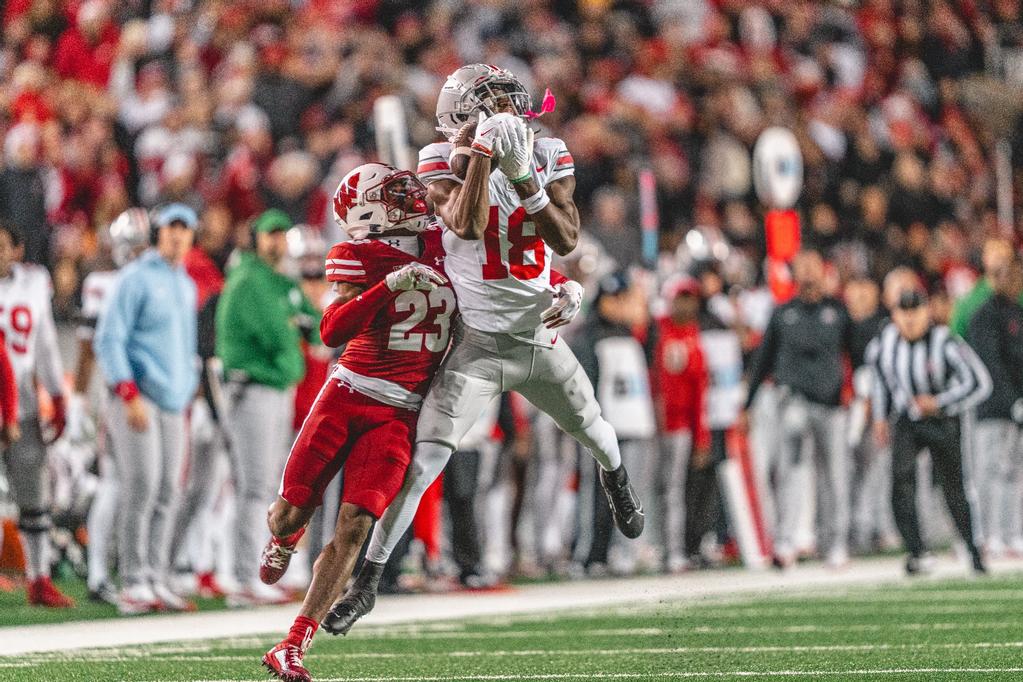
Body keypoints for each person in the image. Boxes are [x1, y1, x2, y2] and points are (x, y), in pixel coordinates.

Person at [325, 64, 642, 636]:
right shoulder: (439, 159)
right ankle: (366, 583)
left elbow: (566, 238)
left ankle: (617, 483)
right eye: (486, 103)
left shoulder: (548, 153)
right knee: (422, 464)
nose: (500, 112)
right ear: (458, 117)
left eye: (504, 101)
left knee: (595, 428)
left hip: (538, 336)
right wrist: (483, 159)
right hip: (475, 345)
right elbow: (466, 226)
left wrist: (525, 178)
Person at [258, 163, 452, 682]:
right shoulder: (358, 256)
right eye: (395, 195)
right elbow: (330, 329)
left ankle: (294, 643)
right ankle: (281, 539)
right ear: (368, 211)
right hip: (347, 396)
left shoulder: (448, 244)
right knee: (289, 515)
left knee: (356, 524)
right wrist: (389, 285)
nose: (414, 200)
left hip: (400, 412)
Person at [94, 203, 199, 614]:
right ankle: (134, 580)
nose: (177, 236)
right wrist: (126, 390)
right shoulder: (135, 277)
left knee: (169, 491)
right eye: (171, 228)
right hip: (138, 395)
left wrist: (188, 388)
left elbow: (186, 344)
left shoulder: (185, 282)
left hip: (173, 398)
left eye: (184, 229)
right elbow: (109, 338)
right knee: (142, 486)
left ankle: (156, 576)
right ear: (158, 233)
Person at [215, 208, 321, 607]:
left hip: (277, 387)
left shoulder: (281, 281)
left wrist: (303, 326)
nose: (276, 241)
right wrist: (296, 330)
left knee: (270, 485)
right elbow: (278, 335)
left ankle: (255, 571)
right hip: (254, 386)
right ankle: (243, 577)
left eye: (281, 234)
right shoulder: (247, 280)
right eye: (269, 234)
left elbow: (315, 322)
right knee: (253, 485)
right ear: (255, 238)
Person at [743, 249, 852, 569]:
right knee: (789, 470)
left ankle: (836, 543)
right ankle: (786, 541)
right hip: (792, 401)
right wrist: (746, 404)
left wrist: (862, 397)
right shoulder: (782, 313)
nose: (806, 273)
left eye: (811, 266)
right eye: (801, 268)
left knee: (834, 475)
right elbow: (762, 360)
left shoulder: (837, 311)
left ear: (822, 270)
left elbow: (857, 355)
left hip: (831, 405)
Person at [872, 288, 991, 575]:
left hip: (942, 420)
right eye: (904, 313)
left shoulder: (945, 341)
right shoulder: (885, 343)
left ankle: (973, 549)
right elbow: (880, 378)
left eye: (916, 312)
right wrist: (879, 416)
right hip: (907, 419)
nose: (910, 320)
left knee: (954, 486)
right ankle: (916, 550)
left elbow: (979, 382)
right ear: (894, 316)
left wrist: (939, 402)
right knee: (900, 482)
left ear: (927, 312)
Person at [73, 208, 150, 605]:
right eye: (129, 244)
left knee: (145, 486)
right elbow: (89, 347)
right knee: (115, 482)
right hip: (119, 392)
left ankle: (135, 569)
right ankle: (101, 571)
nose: (134, 252)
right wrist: (78, 399)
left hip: (153, 393)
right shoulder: (102, 283)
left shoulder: (159, 279)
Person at [0, 221, 70, 607]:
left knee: (34, 497)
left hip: (22, 403)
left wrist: (57, 396)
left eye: (2, 246)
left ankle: (38, 578)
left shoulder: (33, 284)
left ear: (17, 249)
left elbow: (44, 344)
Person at [572, 270, 656, 575]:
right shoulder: (590, 337)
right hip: (604, 429)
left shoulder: (630, 335)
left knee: (627, 496)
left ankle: (622, 552)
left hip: (634, 425)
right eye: (619, 299)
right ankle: (590, 554)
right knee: (596, 495)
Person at [651, 276, 710, 572]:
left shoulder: (694, 338)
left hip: (679, 426)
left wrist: (701, 436)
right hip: (649, 423)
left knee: (673, 491)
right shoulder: (656, 330)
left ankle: (672, 550)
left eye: (690, 297)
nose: (686, 303)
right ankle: (646, 547)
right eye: (681, 297)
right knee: (646, 487)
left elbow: (700, 393)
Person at [967, 254, 1023, 557]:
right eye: (1002, 275)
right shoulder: (983, 316)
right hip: (991, 409)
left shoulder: (1017, 312)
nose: (1009, 281)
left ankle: (1011, 532)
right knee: (988, 471)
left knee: (1014, 471)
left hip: (1016, 408)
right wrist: (1012, 400)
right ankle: (986, 535)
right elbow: (990, 366)